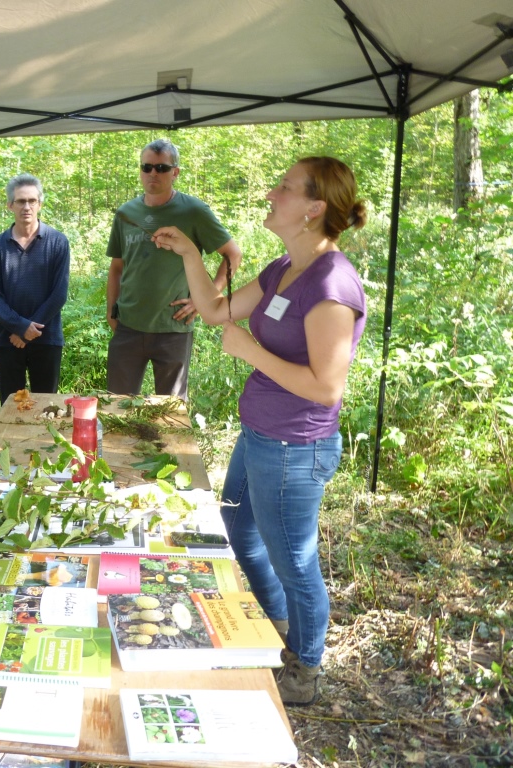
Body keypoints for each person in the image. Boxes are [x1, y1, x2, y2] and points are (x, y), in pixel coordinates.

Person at [151, 156, 367, 705]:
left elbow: (326, 387)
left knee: (294, 559)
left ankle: (306, 667)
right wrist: (191, 255)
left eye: (285, 188)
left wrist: (249, 350)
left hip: (297, 447)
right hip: (260, 437)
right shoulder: (282, 269)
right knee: (243, 538)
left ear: (314, 209)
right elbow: (217, 311)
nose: (273, 193)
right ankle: (278, 631)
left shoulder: (332, 285)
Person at [107, 139, 242, 399]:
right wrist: (111, 312)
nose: (153, 174)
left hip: (173, 327)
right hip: (128, 326)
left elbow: (232, 255)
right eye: (147, 167)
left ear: (175, 172)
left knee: (171, 412)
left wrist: (205, 300)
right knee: (117, 404)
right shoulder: (126, 213)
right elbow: (116, 268)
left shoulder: (193, 211)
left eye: (162, 168)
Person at [0, 174, 70, 405]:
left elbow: (59, 293)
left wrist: (28, 330)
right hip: (8, 340)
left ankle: (43, 443)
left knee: (46, 407)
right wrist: (20, 327)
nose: (27, 206)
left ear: (40, 203)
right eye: (21, 201)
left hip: (47, 338)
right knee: (12, 406)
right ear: (10, 205)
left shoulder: (57, 242)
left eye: (32, 201)